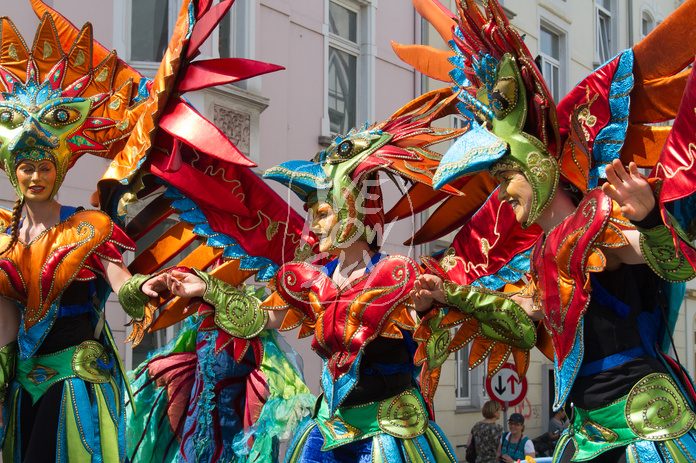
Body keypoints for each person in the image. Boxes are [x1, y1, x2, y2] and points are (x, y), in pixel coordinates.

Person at [404, 1, 696, 462]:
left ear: (537, 167)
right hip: (587, 432)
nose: (500, 197)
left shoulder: (599, 216)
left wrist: (649, 219)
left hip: (644, 427)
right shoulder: (543, 254)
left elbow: (678, 265)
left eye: (505, 179)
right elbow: (522, 320)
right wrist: (449, 296)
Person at [160, 89, 464, 462]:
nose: (312, 226)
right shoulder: (312, 281)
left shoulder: (397, 276)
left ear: (351, 210)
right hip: (328, 434)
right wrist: (208, 288)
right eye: (310, 215)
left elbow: (434, 322)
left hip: (388, 435)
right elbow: (259, 318)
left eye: (321, 213)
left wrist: (437, 300)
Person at [0, 16, 170, 462]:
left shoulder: (88, 226)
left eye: (43, 167)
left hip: (75, 383)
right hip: (22, 387)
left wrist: (142, 289)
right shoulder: (3, 236)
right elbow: (6, 322)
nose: (35, 176)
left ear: (58, 169)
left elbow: (120, 280)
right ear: (12, 172)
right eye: (26, 168)